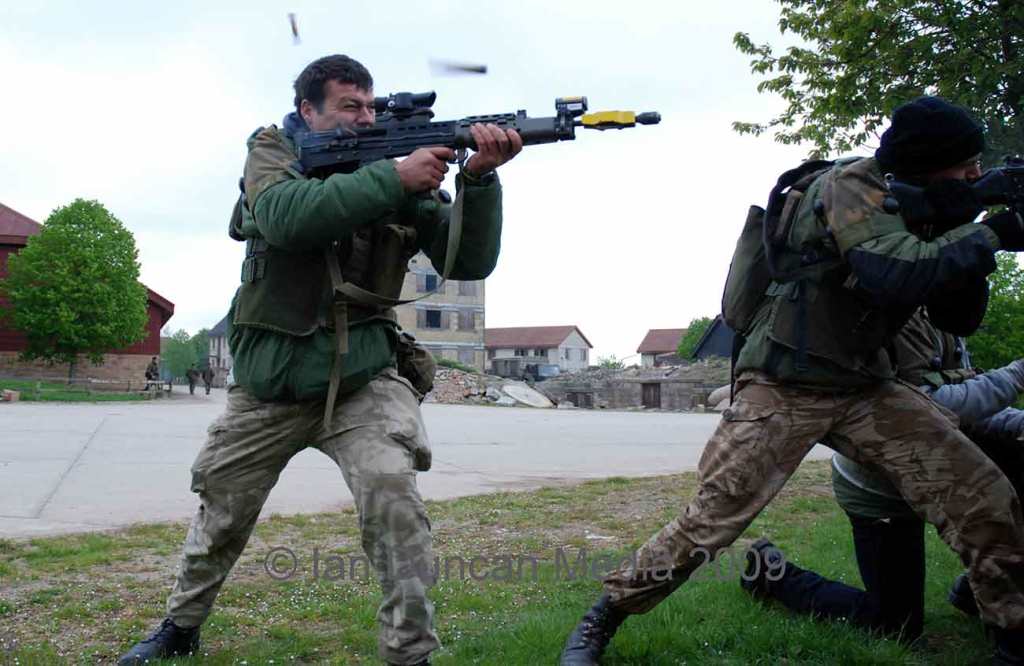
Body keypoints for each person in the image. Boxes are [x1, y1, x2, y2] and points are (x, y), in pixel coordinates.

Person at [559, 97, 1024, 665]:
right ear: (929, 160)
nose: (975, 174)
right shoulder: (850, 184)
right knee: (711, 520)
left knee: (983, 495)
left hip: (863, 387)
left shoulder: (924, 208)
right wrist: (992, 231)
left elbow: (958, 318)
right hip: (784, 384)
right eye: (966, 164)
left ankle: (1012, 636)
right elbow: (891, 270)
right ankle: (601, 618)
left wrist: (961, 221)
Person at [118, 54, 521, 666]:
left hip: (364, 375)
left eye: (370, 106)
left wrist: (480, 181)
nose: (364, 118)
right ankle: (181, 625)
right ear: (310, 110)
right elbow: (285, 218)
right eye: (348, 107)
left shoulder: (402, 172)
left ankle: (411, 654)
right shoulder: (273, 151)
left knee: (394, 500)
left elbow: (466, 261)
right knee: (222, 513)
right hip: (271, 381)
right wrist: (392, 176)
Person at [741, 305, 1024, 643]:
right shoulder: (887, 314)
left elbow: (969, 412)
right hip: (880, 491)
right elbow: (931, 409)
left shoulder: (947, 318)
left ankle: (978, 591)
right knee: (895, 626)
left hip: (940, 471)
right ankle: (769, 571)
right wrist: (1017, 375)